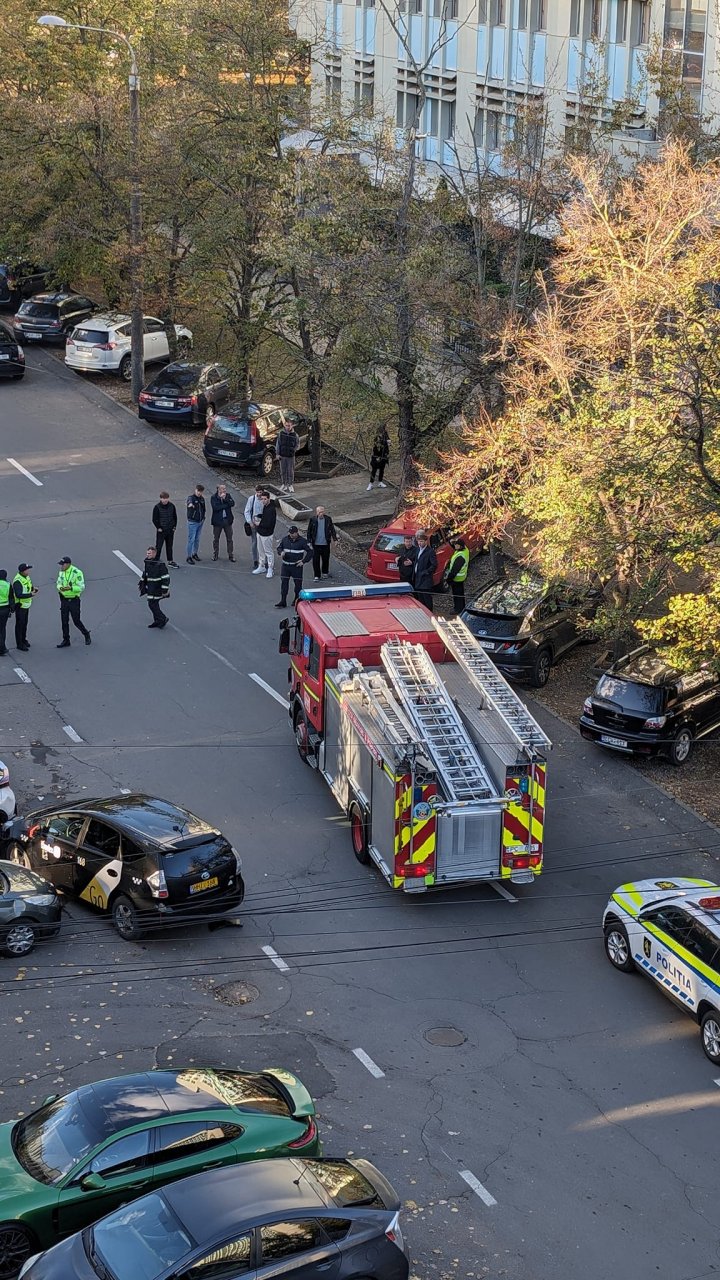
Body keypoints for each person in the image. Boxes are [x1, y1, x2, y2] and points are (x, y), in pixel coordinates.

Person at [56, 556, 91, 648]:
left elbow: (81, 587)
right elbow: (58, 583)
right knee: (64, 621)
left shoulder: (77, 573)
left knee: (76, 620)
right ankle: (66, 640)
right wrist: (60, 588)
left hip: (73, 600)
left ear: (68, 564)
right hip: (64, 599)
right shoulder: (61, 572)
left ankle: (86, 634)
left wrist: (71, 588)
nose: (61, 566)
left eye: (62, 565)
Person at [275, 526, 312, 608]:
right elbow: (279, 547)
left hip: (296, 567)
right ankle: (283, 601)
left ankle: (297, 599)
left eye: (293, 533)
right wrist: (281, 552)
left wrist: (303, 561)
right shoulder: (285, 539)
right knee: (284, 584)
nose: (291, 535)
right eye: (290, 533)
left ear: (296, 532)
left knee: (298, 584)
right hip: (285, 566)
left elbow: (310, 552)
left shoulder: (303, 541)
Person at [139, 547, 170, 629]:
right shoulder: (148, 562)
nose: (147, 555)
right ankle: (158, 620)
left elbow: (166, 578)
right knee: (153, 604)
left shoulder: (160, 565)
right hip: (151, 588)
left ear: (154, 553)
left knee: (152, 604)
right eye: (147, 553)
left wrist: (164, 590)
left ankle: (162, 618)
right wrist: (142, 582)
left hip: (157, 588)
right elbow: (145, 573)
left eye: (149, 553)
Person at [306, 506, 338, 581]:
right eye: (320, 512)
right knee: (316, 560)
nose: (321, 514)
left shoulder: (328, 519)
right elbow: (309, 531)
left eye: (322, 512)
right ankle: (317, 575)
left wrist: (335, 539)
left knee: (325, 559)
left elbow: (332, 529)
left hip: (325, 543)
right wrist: (309, 541)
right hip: (316, 544)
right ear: (316, 512)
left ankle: (325, 572)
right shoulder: (313, 520)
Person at [12, 563, 37, 652]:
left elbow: (28, 586)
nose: (28, 571)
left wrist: (33, 588)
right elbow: (18, 595)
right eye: (27, 570)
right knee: (20, 625)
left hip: (26, 605)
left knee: (24, 624)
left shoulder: (26, 577)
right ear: (22, 571)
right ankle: (19, 644)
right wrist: (31, 594)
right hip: (20, 606)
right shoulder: (17, 581)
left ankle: (23, 639)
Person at [252, 491, 277, 578]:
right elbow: (264, 517)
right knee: (260, 551)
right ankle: (261, 566)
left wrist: (259, 524)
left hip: (267, 534)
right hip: (260, 532)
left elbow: (270, 523)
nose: (263, 501)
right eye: (262, 499)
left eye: (265, 499)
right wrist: (259, 516)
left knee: (268, 552)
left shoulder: (272, 509)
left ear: (269, 499)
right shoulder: (265, 507)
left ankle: (270, 568)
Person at [412, 530, 438, 611]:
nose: (420, 543)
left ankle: (429, 613)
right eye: (418, 541)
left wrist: (426, 572)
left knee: (427, 599)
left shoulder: (430, 552)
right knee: (420, 599)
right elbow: (416, 560)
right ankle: (423, 613)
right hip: (418, 578)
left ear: (426, 541)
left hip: (425, 580)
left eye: (421, 541)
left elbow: (434, 565)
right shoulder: (417, 550)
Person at [152, 491, 178, 567]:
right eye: (164, 498)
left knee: (169, 546)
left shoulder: (172, 506)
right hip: (161, 531)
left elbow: (175, 517)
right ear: (161, 499)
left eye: (166, 498)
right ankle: (156, 560)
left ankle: (170, 561)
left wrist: (174, 527)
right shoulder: (157, 507)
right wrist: (158, 527)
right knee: (159, 546)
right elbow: (154, 519)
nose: (165, 500)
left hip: (170, 530)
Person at [211, 484, 235, 561]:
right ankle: (215, 554)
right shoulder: (214, 497)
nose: (224, 490)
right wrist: (226, 505)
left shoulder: (228, 496)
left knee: (229, 539)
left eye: (225, 488)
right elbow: (216, 508)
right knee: (216, 539)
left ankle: (230, 555)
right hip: (218, 521)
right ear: (218, 489)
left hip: (227, 520)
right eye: (222, 489)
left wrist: (225, 500)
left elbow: (232, 504)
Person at [243, 483, 265, 569]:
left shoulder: (264, 499)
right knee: (254, 542)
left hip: (262, 525)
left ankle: (263, 560)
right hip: (254, 524)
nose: (259, 494)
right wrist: (250, 522)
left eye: (260, 492)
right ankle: (255, 560)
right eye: (257, 492)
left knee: (263, 543)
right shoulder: (251, 499)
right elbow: (247, 511)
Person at [446, 538, 470, 614]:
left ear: (460, 546)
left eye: (457, 545)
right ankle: (462, 607)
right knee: (460, 594)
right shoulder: (465, 550)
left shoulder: (460, 557)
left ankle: (458, 609)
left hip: (457, 578)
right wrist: (451, 542)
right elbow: (455, 546)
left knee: (457, 595)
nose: (455, 546)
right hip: (462, 577)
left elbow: (454, 570)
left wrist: (449, 579)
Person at [276, 419, 299, 493]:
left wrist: (293, 450)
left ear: (292, 425)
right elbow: (278, 444)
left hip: (291, 456)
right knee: (283, 471)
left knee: (290, 471)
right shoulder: (281, 433)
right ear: (284, 425)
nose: (287, 427)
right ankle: (284, 484)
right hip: (282, 455)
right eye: (286, 425)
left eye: (289, 425)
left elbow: (297, 444)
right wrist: (277, 454)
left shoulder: (295, 435)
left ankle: (290, 484)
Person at [186, 484, 206, 564]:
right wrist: (190, 505)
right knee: (191, 539)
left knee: (197, 539)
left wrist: (203, 518)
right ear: (195, 490)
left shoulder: (202, 499)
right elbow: (189, 503)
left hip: (200, 521)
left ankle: (195, 553)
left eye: (201, 492)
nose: (199, 493)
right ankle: (189, 556)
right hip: (193, 522)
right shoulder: (191, 498)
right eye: (198, 491)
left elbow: (204, 509)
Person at [0, 571, 11, 656]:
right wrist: (12, 609)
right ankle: (2, 648)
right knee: (2, 629)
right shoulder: (8, 585)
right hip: (5, 609)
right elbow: (11, 597)